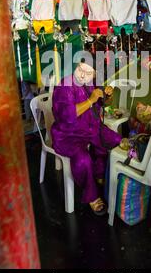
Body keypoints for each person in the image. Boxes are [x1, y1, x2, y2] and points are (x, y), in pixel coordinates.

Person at [51, 59, 122, 215]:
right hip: (68, 134)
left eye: (88, 72)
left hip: (90, 128)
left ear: (94, 74)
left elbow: (100, 105)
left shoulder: (91, 83)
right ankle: (91, 195)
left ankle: (99, 173)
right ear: (76, 67)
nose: (83, 75)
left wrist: (107, 96)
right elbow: (67, 115)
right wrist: (91, 100)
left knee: (114, 140)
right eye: (80, 69)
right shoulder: (64, 86)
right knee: (83, 160)